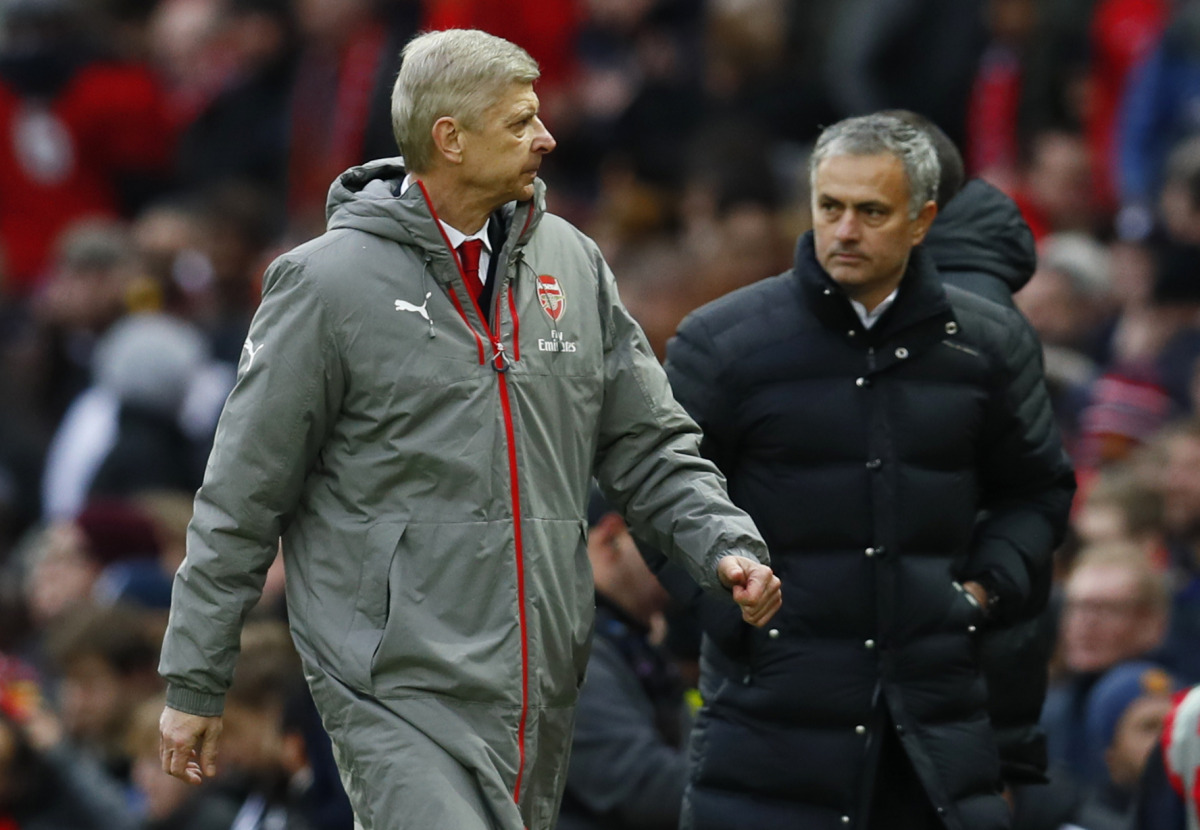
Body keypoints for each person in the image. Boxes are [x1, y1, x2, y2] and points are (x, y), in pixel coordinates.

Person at [156, 28, 780, 830]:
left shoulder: (574, 263)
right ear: (449, 139)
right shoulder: (324, 283)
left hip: (542, 677)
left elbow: (649, 444)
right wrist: (195, 680)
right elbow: (242, 495)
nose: (547, 138)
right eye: (521, 122)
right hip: (392, 684)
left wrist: (723, 540)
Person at [664, 113, 1075, 829]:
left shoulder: (987, 344)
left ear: (922, 222)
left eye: (871, 211)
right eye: (831, 207)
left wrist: (986, 589)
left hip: (934, 734)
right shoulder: (721, 343)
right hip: (767, 737)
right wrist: (725, 610)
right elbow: (656, 491)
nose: (845, 230)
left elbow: (1036, 490)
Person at [556, 494, 688, 830]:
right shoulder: (571, 648)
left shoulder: (632, 642)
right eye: (667, 547)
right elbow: (647, 791)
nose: (685, 564)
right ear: (612, 534)